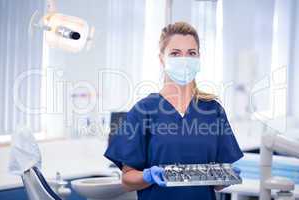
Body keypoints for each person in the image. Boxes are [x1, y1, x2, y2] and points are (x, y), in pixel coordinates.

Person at [104, 21, 243, 200]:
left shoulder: (212, 110)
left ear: (199, 57)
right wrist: (148, 176)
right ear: (162, 58)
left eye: (191, 53)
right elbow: (128, 179)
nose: (184, 60)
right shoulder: (143, 110)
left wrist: (226, 176)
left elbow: (217, 185)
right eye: (175, 53)